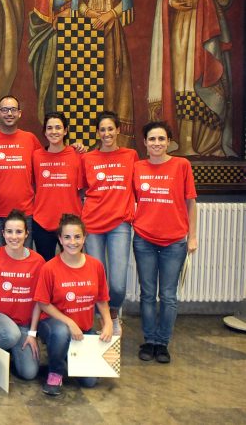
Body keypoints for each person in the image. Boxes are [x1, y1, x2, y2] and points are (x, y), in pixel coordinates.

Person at [148, 0, 235, 158]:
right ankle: (185, 144)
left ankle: (210, 144)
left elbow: (227, 0)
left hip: (207, 32)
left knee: (206, 80)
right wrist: (173, 2)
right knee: (183, 82)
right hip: (181, 31)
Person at [133, 121, 197, 364]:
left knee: (168, 296)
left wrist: (192, 236)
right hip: (144, 240)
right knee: (147, 294)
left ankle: (163, 343)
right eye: (152, 139)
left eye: (161, 139)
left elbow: (191, 202)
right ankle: (149, 340)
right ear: (145, 143)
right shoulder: (137, 167)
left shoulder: (182, 165)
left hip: (174, 242)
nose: (157, 143)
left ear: (169, 141)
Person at [34, 214, 112, 396]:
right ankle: (55, 373)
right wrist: (69, 322)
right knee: (61, 332)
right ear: (60, 239)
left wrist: (107, 322)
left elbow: (102, 298)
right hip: (53, 324)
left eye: (77, 237)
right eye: (67, 237)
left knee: (90, 382)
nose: (72, 242)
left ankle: (66, 353)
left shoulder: (96, 266)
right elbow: (43, 303)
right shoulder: (50, 268)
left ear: (85, 238)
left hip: (83, 328)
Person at [71, 0, 135, 147]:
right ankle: (89, 139)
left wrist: (109, 15)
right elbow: (76, 3)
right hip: (88, 31)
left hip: (111, 29)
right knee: (87, 83)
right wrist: (87, 12)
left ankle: (114, 140)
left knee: (110, 80)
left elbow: (126, 4)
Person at [81, 111, 138, 335]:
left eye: (110, 129)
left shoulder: (130, 155)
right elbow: (82, 190)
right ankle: (102, 319)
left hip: (120, 225)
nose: (106, 133)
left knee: (117, 283)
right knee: (95, 279)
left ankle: (114, 314)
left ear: (118, 130)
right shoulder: (88, 158)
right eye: (102, 129)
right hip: (92, 224)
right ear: (97, 132)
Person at [0, 209, 44, 380]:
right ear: (3, 233)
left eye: (19, 231)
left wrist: (32, 334)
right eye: (9, 231)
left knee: (29, 374)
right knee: (10, 334)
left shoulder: (38, 262)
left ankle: (6, 350)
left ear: (27, 234)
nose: (14, 236)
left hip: (22, 325)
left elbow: (39, 301)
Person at [0, 95, 42, 250]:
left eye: (13, 110)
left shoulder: (30, 139)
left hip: (25, 214)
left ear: (19, 113)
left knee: (24, 263)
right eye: (5, 110)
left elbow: (44, 169)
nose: (9, 113)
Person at [32, 112, 84, 261]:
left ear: (65, 130)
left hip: (71, 223)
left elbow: (83, 190)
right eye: (49, 128)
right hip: (42, 221)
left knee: (71, 267)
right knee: (45, 268)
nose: (54, 131)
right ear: (44, 132)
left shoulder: (77, 155)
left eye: (58, 127)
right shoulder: (36, 156)